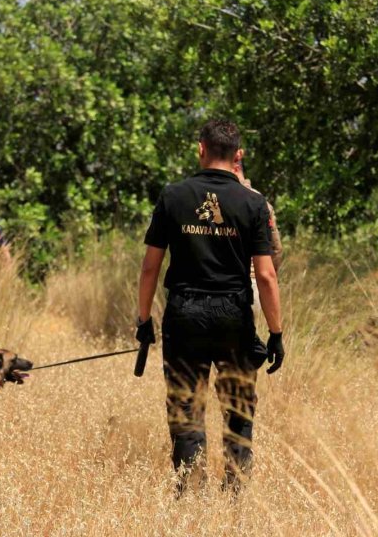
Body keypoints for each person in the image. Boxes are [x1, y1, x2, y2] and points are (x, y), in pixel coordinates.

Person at [135, 119, 285, 496]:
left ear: (200, 149)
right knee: (238, 411)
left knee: (186, 412)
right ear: (238, 155)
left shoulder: (173, 196)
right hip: (233, 317)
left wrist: (143, 321)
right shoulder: (253, 203)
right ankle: (234, 498)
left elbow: (150, 266)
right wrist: (276, 333)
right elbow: (266, 276)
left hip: (183, 314)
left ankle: (191, 501)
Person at [233, 158, 283, 311]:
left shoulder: (215, 197)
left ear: (235, 167)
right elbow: (275, 249)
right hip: (255, 284)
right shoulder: (260, 201)